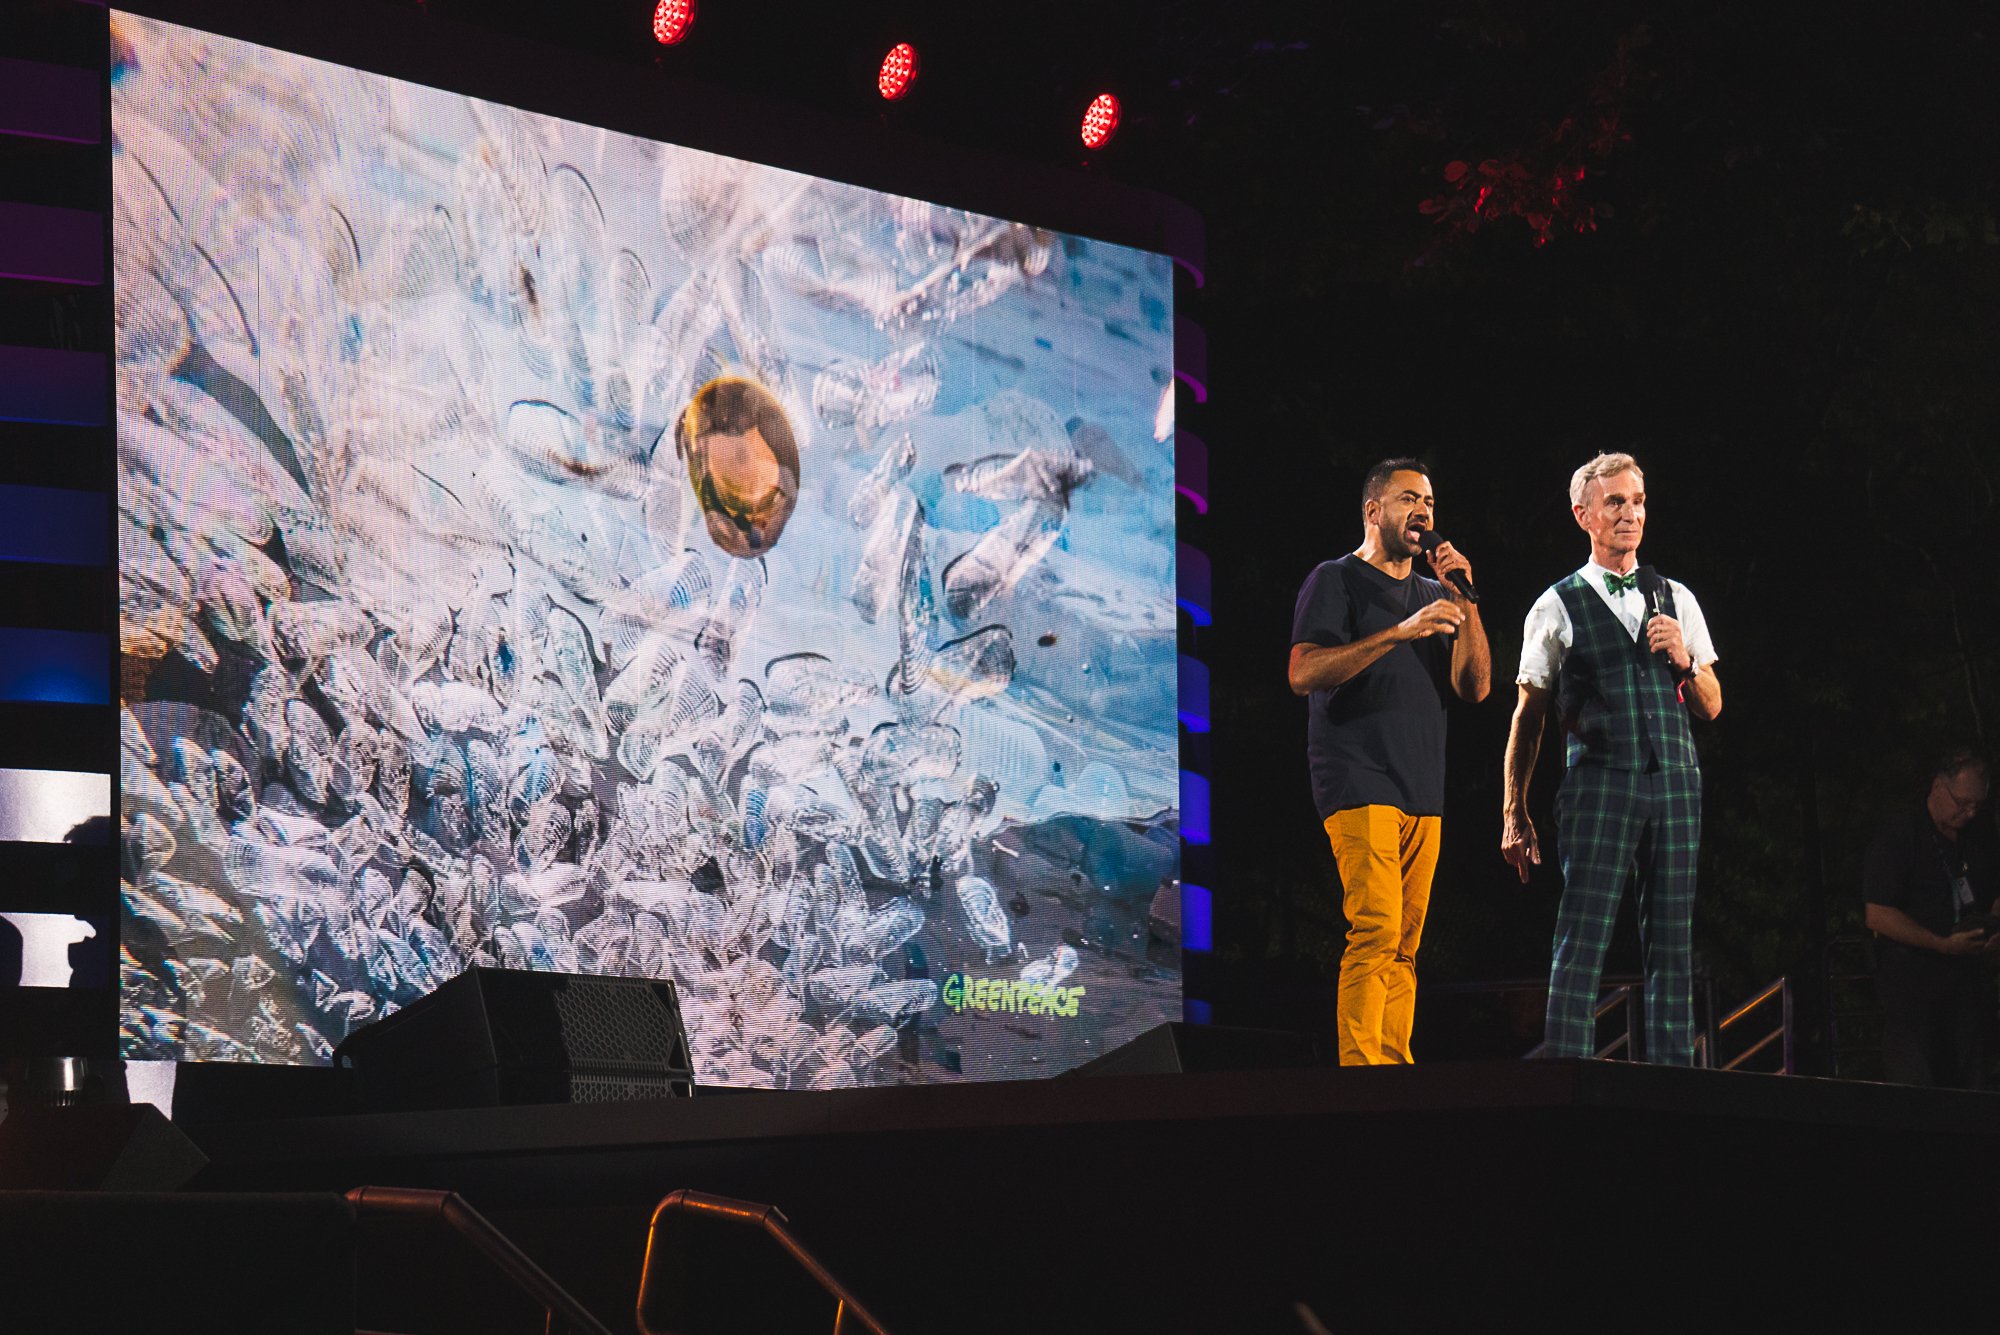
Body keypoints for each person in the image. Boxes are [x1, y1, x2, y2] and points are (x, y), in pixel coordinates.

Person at [1501, 452, 1722, 1065]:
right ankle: (1568, 1075)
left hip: (1676, 781)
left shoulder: (1675, 596)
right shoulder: (1556, 605)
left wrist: (1684, 658)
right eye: (1616, 502)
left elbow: (1712, 704)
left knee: (1672, 941)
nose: (1631, 514)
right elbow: (1529, 714)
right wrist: (1513, 811)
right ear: (1584, 515)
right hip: (1599, 783)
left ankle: (1673, 1078)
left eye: (1639, 501)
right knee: (1583, 937)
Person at [1288, 458, 1491, 1065]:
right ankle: (1360, 1077)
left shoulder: (1437, 593)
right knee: (1374, 929)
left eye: (1429, 501)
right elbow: (1303, 673)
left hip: (1421, 788)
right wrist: (1401, 632)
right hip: (1358, 778)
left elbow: (1476, 686)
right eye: (1409, 499)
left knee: (1404, 947)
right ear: (1374, 511)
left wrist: (1465, 600)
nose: (1424, 512)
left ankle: (1394, 1076)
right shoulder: (1335, 580)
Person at [1862, 748, 1998, 1089]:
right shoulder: (1901, 832)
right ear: (1938, 787)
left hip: (1968, 975)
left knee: (1973, 1079)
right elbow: (1877, 914)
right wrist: (1940, 944)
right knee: (1917, 1081)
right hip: (1912, 977)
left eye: (1976, 806)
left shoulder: (1978, 835)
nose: (1969, 813)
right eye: (1962, 803)